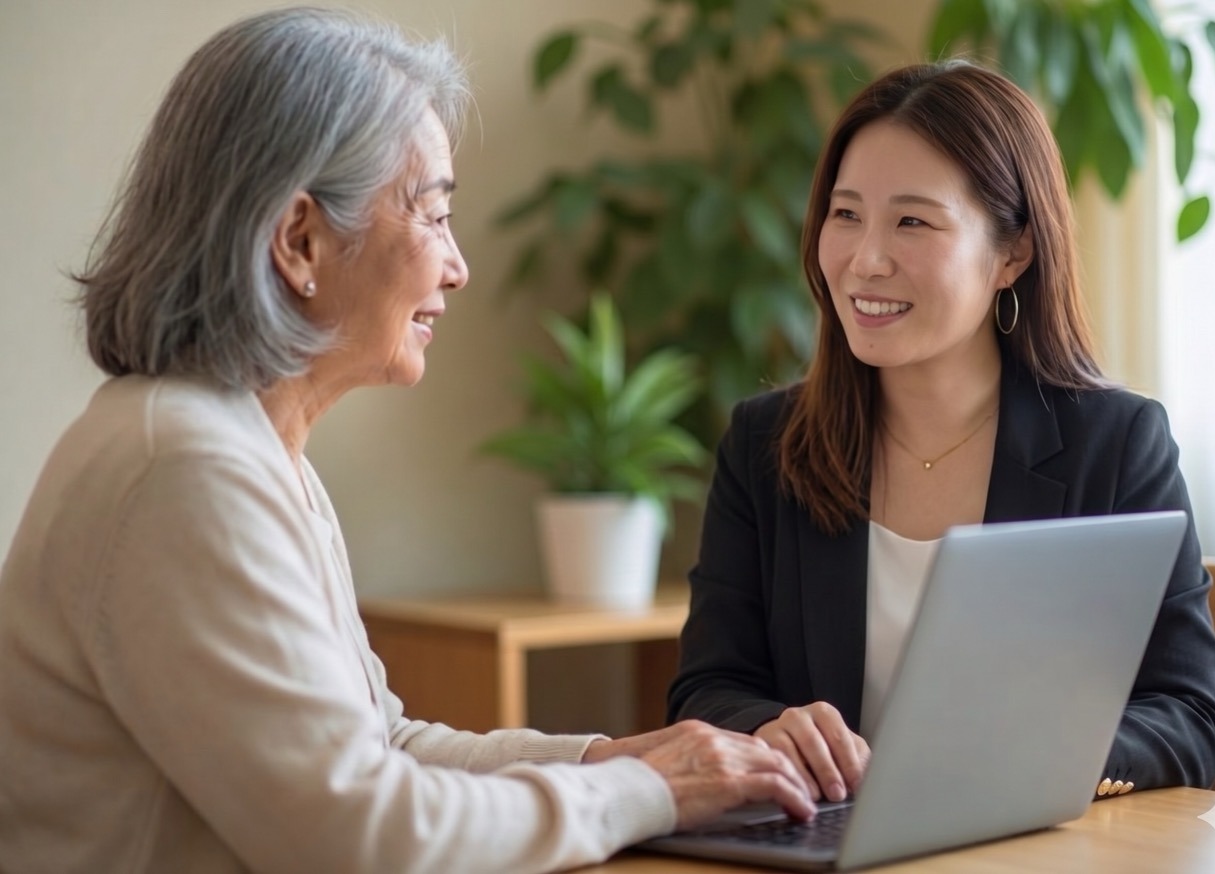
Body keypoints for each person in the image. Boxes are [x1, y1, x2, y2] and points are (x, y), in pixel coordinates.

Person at [0, 8, 816, 873]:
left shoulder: (250, 451)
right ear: (300, 240)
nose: (457, 266)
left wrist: (617, 760)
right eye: (432, 216)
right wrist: (648, 795)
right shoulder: (185, 470)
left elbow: (379, 744)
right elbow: (365, 833)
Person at [667, 60, 1215, 805]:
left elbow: (1190, 714)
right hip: (828, 843)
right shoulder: (764, 446)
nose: (865, 260)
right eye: (845, 214)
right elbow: (708, 688)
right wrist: (769, 729)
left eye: (912, 221)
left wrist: (1050, 756)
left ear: (1013, 253)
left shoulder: (1118, 443)